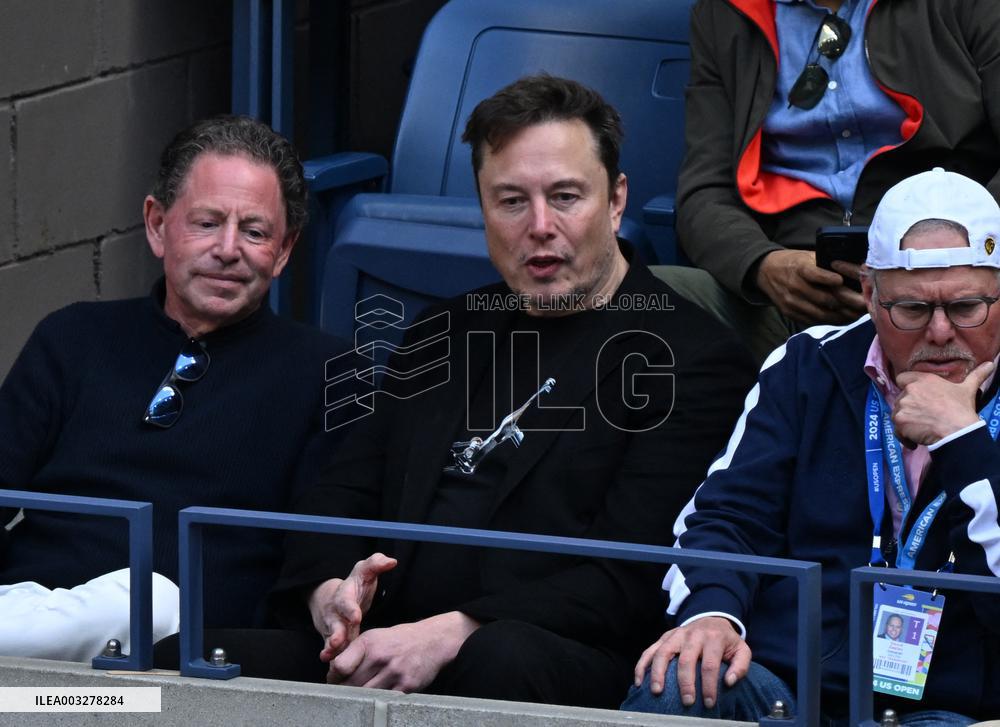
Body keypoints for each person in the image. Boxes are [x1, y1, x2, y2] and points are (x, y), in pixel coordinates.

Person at [267, 75, 758, 708]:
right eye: (511, 201)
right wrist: (330, 593)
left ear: (616, 201)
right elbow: (341, 495)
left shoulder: (692, 358)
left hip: (550, 660)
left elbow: (630, 580)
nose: (540, 226)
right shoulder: (444, 329)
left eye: (566, 196)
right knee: (174, 675)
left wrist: (454, 633)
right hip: (384, 642)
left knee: (501, 659)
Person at [622, 168, 1000, 723]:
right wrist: (712, 616)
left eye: (967, 307)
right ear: (870, 294)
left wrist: (963, 443)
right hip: (787, 685)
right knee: (678, 680)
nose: (940, 332)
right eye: (913, 310)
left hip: (947, 708)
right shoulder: (808, 363)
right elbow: (728, 516)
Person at [0, 115, 349, 662]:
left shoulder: (329, 372)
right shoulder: (73, 337)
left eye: (255, 232)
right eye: (206, 223)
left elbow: (318, 548)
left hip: (180, 661)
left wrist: (331, 595)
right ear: (158, 225)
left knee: (148, 599)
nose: (228, 249)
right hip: (32, 620)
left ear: (283, 251)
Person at [669, 0, 1000, 347]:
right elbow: (704, 191)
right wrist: (762, 265)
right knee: (649, 302)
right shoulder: (723, 12)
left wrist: (958, 254)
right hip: (796, 287)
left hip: (958, 275)